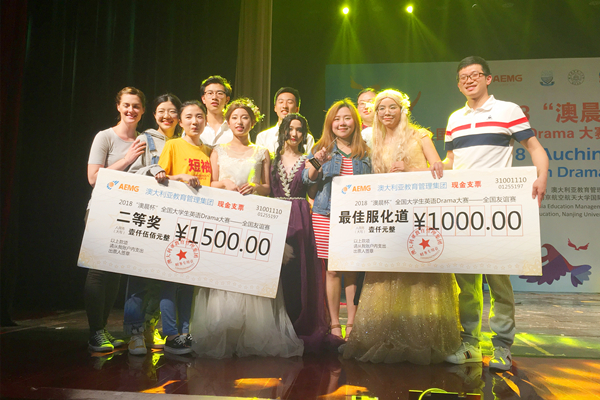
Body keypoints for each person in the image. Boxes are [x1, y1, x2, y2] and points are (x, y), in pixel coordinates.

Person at [439, 56, 549, 371]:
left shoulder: (508, 110)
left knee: (499, 282)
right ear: (458, 84)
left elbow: (534, 147)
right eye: (463, 77)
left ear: (488, 79)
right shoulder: (455, 118)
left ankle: (502, 347)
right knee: (467, 284)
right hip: (462, 207)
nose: (469, 80)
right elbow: (451, 161)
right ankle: (470, 344)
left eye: (475, 75)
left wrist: (542, 176)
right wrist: (425, 169)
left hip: (496, 206)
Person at [342, 89, 461, 364]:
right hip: (389, 215)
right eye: (381, 108)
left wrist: (409, 171)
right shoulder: (373, 141)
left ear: (402, 109)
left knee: (420, 271)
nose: (386, 112)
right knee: (387, 273)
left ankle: (423, 336)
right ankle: (384, 335)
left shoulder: (420, 135)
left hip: (419, 213)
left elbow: (440, 168)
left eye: (392, 107)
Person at [190, 98, 304, 358]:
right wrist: (224, 184)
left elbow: (268, 187)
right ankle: (224, 331)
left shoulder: (261, 152)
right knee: (225, 273)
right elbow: (210, 183)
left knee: (251, 273)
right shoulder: (217, 150)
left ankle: (253, 332)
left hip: (253, 219)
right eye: (234, 118)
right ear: (228, 121)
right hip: (225, 217)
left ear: (252, 122)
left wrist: (255, 187)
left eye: (244, 118)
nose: (239, 122)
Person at [303, 99, 371, 341]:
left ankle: (352, 323)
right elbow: (307, 180)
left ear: (355, 122)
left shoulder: (366, 152)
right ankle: (334, 324)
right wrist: (318, 161)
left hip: (356, 218)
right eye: (337, 119)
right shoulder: (321, 148)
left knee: (352, 270)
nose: (342, 123)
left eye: (347, 118)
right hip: (325, 215)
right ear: (330, 123)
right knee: (332, 270)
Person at [86, 87, 147, 352]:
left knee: (115, 272)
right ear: (118, 107)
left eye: (136, 106)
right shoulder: (105, 137)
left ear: (143, 110)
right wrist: (127, 159)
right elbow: (93, 177)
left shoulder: (145, 139)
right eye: (126, 105)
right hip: (103, 209)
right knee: (99, 270)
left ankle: (103, 330)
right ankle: (95, 333)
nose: (131, 110)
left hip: (131, 213)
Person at [124, 93, 183, 355]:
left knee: (164, 279)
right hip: (149, 215)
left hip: (174, 217)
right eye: (161, 111)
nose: (166, 116)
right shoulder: (145, 139)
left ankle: (149, 327)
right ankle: (134, 333)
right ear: (154, 114)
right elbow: (131, 173)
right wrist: (153, 170)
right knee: (139, 275)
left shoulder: (183, 142)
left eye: (172, 111)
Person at [270, 113, 334, 352]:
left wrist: (317, 162)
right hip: (275, 215)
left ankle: (298, 323)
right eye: (290, 129)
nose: (294, 134)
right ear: (283, 131)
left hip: (299, 215)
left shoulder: (307, 159)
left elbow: (311, 183)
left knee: (299, 270)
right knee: (277, 272)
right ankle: (276, 324)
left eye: (299, 130)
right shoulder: (270, 158)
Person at [154, 100, 213, 355]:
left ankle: (187, 332)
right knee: (170, 278)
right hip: (175, 219)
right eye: (188, 117)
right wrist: (179, 177)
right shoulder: (173, 145)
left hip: (202, 222)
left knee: (191, 279)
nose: (194, 121)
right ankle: (170, 334)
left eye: (199, 117)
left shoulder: (210, 151)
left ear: (206, 121)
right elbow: (160, 177)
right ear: (180, 121)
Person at [255, 87, 315, 155]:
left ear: (297, 109)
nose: (284, 106)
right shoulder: (263, 137)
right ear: (275, 108)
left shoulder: (307, 138)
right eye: (281, 102)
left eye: (290, 102)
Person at [199, 75, 233, 147]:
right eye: (210, 93)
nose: (214, 97)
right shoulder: (195, 125)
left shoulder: (234, 126)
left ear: (227, 100)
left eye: (219, 93)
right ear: (203, 99)